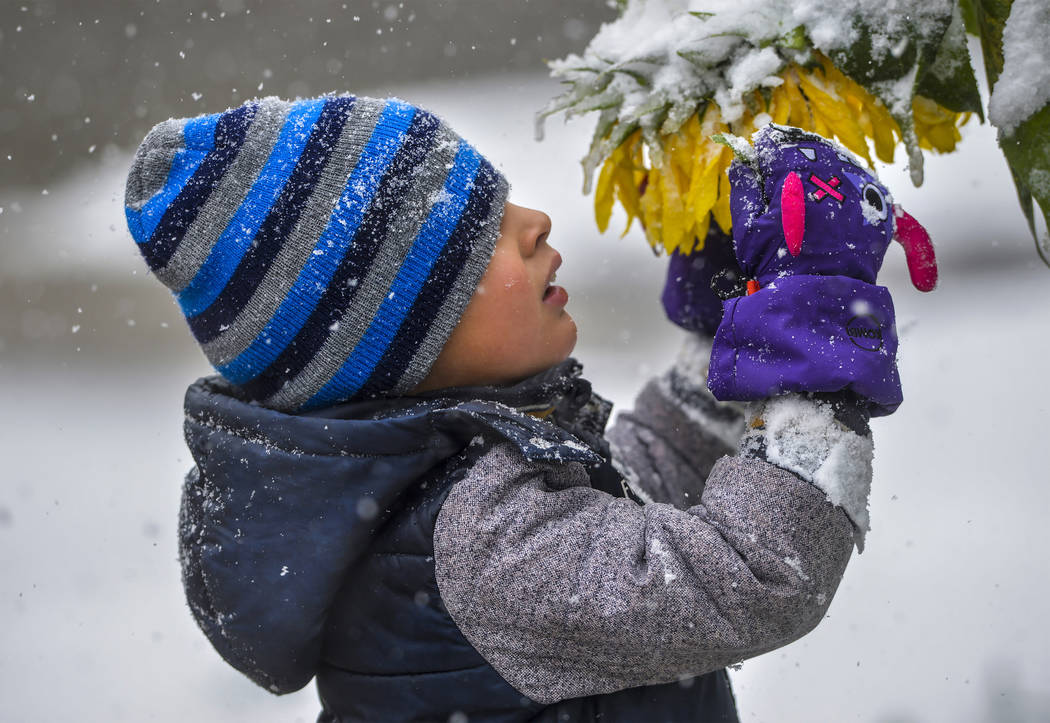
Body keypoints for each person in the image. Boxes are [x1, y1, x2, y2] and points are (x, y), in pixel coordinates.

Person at [124, 95, 930, 722]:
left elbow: (639, 505)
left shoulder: (450, 491)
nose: (534, 222)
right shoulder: (477, 541)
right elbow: (752, 574)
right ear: (404, 338)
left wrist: (722, 323)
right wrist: (813, 354)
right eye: (486, 238)